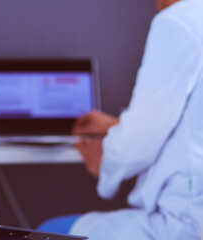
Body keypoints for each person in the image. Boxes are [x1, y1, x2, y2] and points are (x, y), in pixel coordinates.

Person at [38, 0, 203, 239]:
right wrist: (117, 126)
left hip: (184, 221)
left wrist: (107, 160)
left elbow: (138, 143)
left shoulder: (177, 22)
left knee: (49, 231)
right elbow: (188, 124)